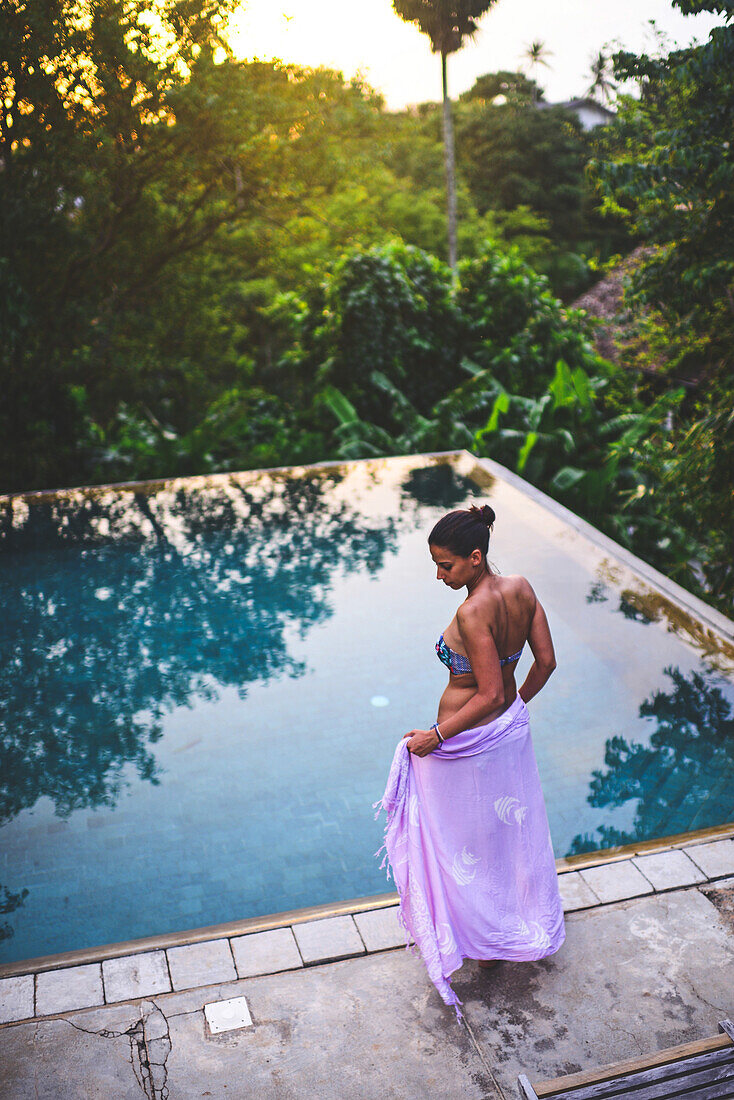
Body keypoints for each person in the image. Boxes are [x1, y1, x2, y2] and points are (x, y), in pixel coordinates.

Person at [374, 502, 565, 1018]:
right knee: (503, 834)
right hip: (504, 738)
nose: (440, 575)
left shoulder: (472, 610)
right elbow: (545, 661)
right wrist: (517, 705)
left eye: (446, 565)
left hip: (461, 745)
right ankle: (500, 931)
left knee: (458, 842)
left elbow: (483, 694)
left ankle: (482, 946)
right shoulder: (521, 588)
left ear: (475, 558)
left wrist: (436, 735)